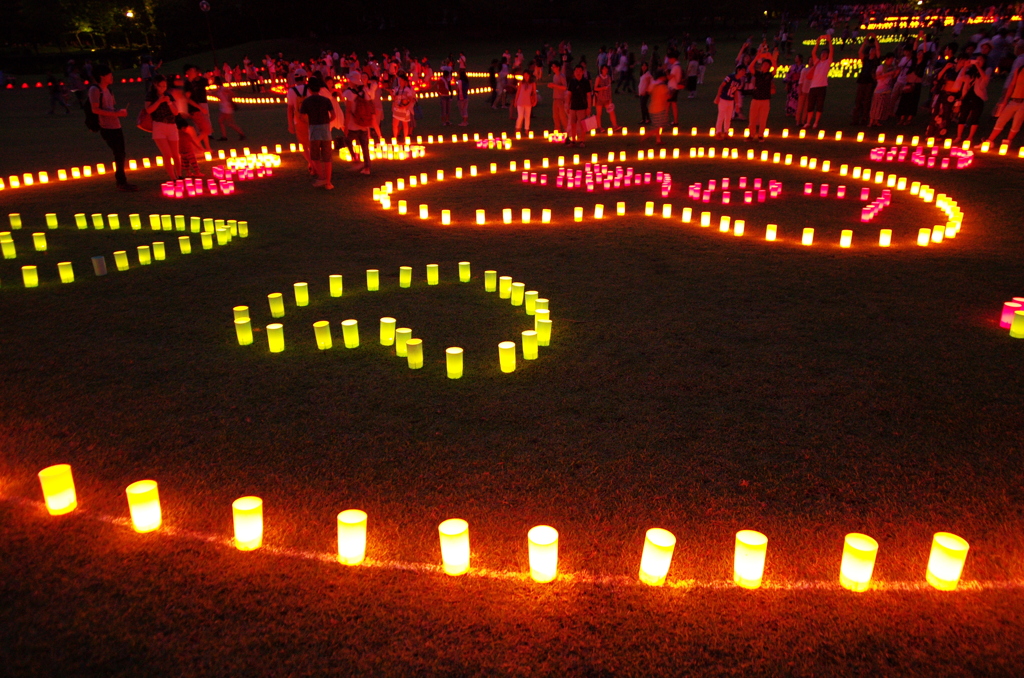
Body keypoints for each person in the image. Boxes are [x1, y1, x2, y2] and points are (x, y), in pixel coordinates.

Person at [87, 65, 137, 192]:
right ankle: (121, 182)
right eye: (110, 75)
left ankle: (122, 181)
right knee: (119, 153)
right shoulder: (95, 89)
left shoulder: (108, 89)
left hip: (116, 125)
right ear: (102, 76)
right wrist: (116, 114)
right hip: (106, 126)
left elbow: (111, 107)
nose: (112, 77)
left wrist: (119, 112)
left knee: (121, 153)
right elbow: (95, 109)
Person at [300, 79, 336, 189]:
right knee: (327, 157)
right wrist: (327, 122)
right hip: (325, 131)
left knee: (315, 157)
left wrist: (309, 122)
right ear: (320, 89)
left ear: (309, 90)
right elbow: (333, 115)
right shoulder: (326, 100)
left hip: (314, 131)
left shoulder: (306, 101)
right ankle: (328, 182)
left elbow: (301, 116)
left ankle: (322, 177)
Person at [144, 74, 181, 180]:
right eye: (160, 86)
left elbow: (175, 112)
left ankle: (179, 175)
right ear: (155, 85)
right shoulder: (151, 95)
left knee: (175, 153)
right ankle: (173, 177)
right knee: (167, 154)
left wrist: (168, 101)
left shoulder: (169, 95)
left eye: (164, 86)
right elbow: (148, 110)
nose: (163, 88)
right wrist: (159, 101)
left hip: (171, 125)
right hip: (158, 126)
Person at [984, 64, 1024, 147]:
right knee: (1001, 120)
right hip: (1013, 99)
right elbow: (1012, 84)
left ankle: (1008, 141)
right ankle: (990, 140)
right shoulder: (1020, 69)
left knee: (1017, 122)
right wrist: (1006, 100)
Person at [953, 56, 989, 144]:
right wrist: (965, 66)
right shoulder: (971, 74)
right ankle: (959, 136)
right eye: (977, 59)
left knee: (975, 117)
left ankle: (970, 137)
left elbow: (985, 78)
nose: (978, 61)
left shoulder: (985, 72)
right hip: (967, 97)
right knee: (962, 116)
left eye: (981, 60)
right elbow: (960, 78)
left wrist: (978, 66)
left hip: (978, 98)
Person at [343, 71, 373, 175]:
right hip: (364, 123)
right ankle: (367, 168)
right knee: (365, 146)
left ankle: (356, 160)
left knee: (347, 140)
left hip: (353, 123)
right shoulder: (364, 91)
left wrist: (346, 125)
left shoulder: (349, 93)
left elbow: (348, 110)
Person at [748, 46, 778, 141]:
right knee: (752, 118)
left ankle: (760, 135)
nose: (764, 66)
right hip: (756, 98)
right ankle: (751, 135)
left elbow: (775, 69)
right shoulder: (758, 74)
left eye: (766, 65)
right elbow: (750, 67)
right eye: (763, 64)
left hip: (765, 99)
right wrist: (757, 58)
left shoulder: (769, 75)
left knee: (763, 119)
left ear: (769, 67)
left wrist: (771, 58)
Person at [804, 35, 834, 129]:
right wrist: (818, 42)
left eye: (825, 53)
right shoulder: (817, 62)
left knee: (819, 105)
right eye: (822, 53)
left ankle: (816, 122)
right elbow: (813, 52)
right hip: (813, 87)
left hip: (822, 86)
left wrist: (829, 42)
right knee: (811, 105)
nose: (823, 55)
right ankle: (808, 122)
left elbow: (832, 52)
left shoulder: (827, 62)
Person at [852, 36, 881, 125]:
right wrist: (864, 42)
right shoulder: (866, 59)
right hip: (862, 80)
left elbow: (878, 50)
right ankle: (856, 118)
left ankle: (864, 118)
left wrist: (876, 40)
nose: (872, 51)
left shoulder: (876, 60)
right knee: (858, 100)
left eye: (874, 50)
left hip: (870, 82)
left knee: (867, 100)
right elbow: (860, 52)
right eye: (871, 50)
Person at [184, 65, 213, 151]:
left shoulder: (192, 83)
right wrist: (200, 107)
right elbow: (187, 99)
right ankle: (191, 146)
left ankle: (207, 148)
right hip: (195, 110)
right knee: (207, 130)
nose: (195, 72)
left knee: (204, 129)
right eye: (193, 71)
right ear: (188, 72)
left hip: (196, 109)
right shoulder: (188, 84)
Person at [288, 75, 313, 172]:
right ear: (304, 79)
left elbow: (290, 109)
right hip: (311, 119)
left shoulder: (291, 91)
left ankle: (311, 163)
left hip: (298, 120)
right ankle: (313, 163)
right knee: (312, 142)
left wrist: (290, 124)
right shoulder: (310, 89)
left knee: (304, 145)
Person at [714, 65, 745, 139]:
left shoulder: (739, 81)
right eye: (742, 70)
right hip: (724, 99)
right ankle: (718, 132)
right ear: (738, 70)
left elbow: (736, 93)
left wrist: (737, 104)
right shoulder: (730, 77)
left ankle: (726, 132)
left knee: (728, 117)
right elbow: (722, 86)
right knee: (721, 115)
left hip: (730, 100)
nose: (743, 72)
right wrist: (718, 96)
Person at [566, 63, 592, 147]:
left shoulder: (585, 82)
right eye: (576, 71)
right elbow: (569, 94)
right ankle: (573, 140)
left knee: (582, 125)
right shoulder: (572, 82)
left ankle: (582, 141)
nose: (578, 73)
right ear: (574, 72)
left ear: (583, 72)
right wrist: (567, 105)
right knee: (573, 124)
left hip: (582, 106)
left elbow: (588, 96)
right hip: (573, 106)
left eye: (580, 71)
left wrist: (589, 107)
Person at [870, 53, 897, 127]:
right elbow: (878, 77)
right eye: (891, 59)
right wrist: (889, 73)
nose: (892, 61)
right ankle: (872, 120)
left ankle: (877, 120)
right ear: (887, 59)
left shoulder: (892, 67)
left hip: (887, 88)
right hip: (880, 89)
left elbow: (893, 77)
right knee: (876, 105)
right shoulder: (881, 67)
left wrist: (896, 73)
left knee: (882, 106)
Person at [214, 77, 246, 141]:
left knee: (229, 123)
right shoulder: (219, 89)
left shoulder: (223, 88)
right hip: (223, 107)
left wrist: (229, 100)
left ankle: (241, 134)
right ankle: (224, 136)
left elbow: (232, 93)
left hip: (226, 107)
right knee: (221, 121)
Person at [645, 69, 670, 143]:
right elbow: (667, 96)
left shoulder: (654, 84)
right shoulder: (662, 86)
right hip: (659, 108)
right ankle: (645, 136)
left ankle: (658, 140)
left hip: (653, 108)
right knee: (658, 126)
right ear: (662, 77)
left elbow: (648, 91)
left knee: (659, 126)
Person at [593, 65, 618, 130]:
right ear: (601, 70)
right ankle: (599, 126)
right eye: (604, 69)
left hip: (607, 98)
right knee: (599, 113)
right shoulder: (598, 78)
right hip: (599, 98)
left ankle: (615, 125)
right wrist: (603, 88)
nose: (605, 70)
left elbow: (609, 88)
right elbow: (595, 88)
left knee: (611, 112)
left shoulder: (608, 77)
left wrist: (610, 98)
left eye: (606, 69)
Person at [391, 73, 415, 141]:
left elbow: (411, 99)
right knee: (395, 124)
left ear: (404, 81)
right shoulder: (396, 89)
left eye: (401, 80)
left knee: (405, 124)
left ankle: (406, 139)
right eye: (399, 80)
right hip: (397, 108)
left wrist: (405, 106)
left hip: (404, 109)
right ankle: (395, 138)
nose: (399, 82)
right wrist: (392, 94)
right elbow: (394, 98)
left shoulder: (407, 89)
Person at [548, 62, 568, 132]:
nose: (553, 68)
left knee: (562, 116)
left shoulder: (561, 76)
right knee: (555, 116)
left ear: (558, 67)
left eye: (554, 67)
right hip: (555, 98)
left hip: (561, 98)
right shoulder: (554, 76)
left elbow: (565, 87)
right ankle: (557, 129)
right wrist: (552, 86)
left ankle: (567, 129)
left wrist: (554, 85)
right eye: (552, 67)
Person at [665, 49, 683, 126]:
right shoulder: (677, 66)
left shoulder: (675, 67)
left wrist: (665, 71)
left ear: (673, 58)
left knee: (669, 105)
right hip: (674, 87)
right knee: (672, 104)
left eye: (669, 59)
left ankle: (665, 121)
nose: (669, 60)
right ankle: (675, 121)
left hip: (672, 88)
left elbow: (669, 77)